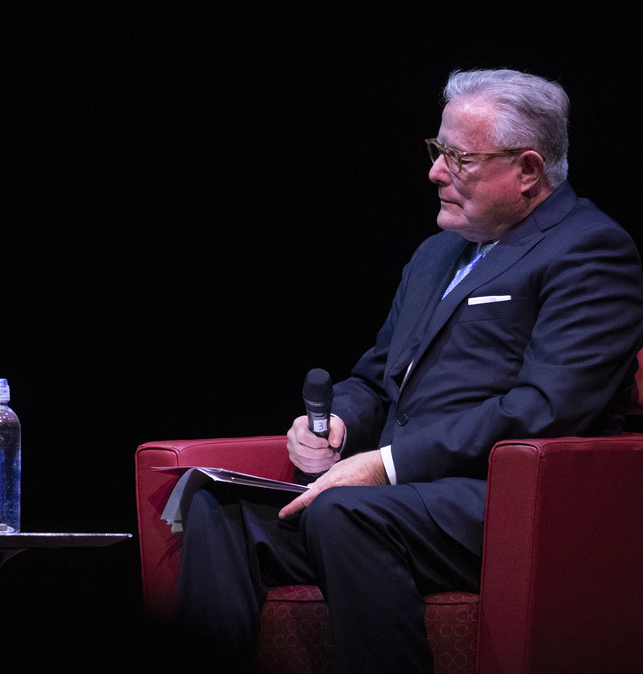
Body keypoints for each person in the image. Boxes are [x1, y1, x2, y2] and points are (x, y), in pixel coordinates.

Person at [173, 69, 643, 672]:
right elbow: (377, 379)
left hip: (504, 503)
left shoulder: (590, 250)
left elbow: (546, 407)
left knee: (345, 512)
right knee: (222, 509)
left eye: (459, 158)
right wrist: (338, 424)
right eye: (437, 150)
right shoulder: (436, 253)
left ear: (527, 170)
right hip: (404, 502)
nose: (436, 172)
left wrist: (386, 464)